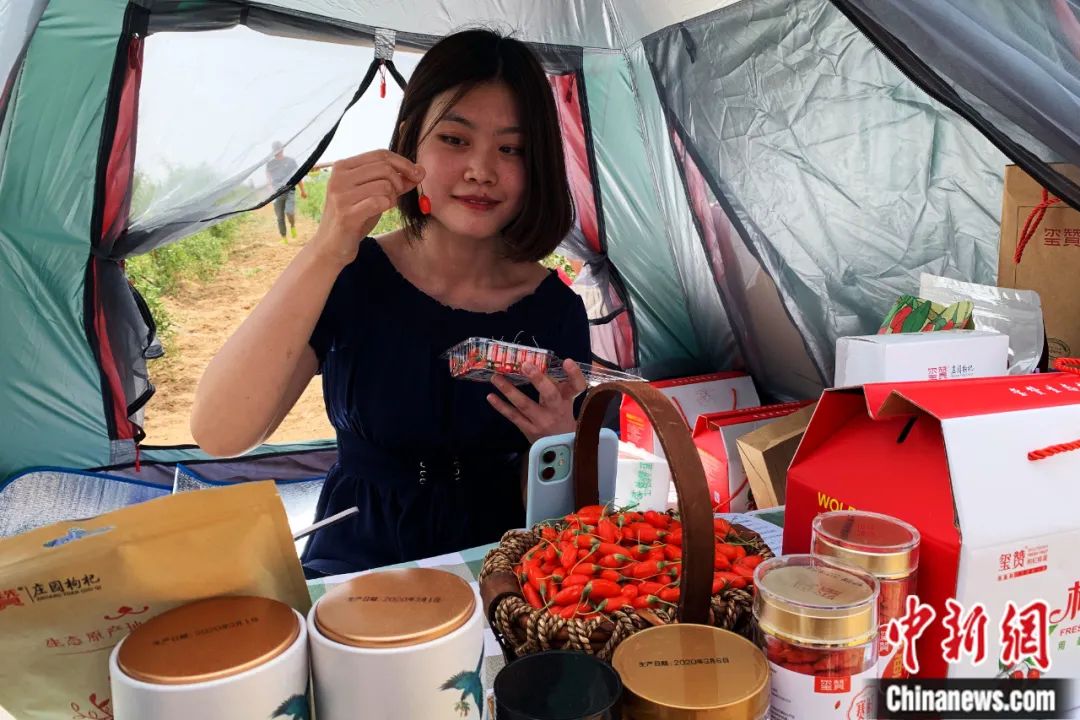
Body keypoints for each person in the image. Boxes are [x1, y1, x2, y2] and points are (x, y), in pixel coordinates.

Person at [191, 29, 592, 576]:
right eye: (454, 139)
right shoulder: (352, 274)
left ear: (537, 164)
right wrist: (327, 247)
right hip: (355, 563)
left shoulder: (555, 311)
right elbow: (221, 433)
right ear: (409, 144)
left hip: (495, 568)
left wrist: (558, 446)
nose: (481, 170)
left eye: (511, 149)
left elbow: (559, 518)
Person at [266, 141, 308, 241]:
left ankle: (292, 225)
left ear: (282, 149)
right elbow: (268, 178)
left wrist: (302, 190)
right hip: (276, 193)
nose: (277, 151)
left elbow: (298, 176)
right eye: (275, 149)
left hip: (290, 190)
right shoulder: (270, 164)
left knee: (289, 212)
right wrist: (270, 188)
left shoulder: (291, 161)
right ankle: (284, 238)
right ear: (273, 151)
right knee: (280, 217)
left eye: (279, 149)